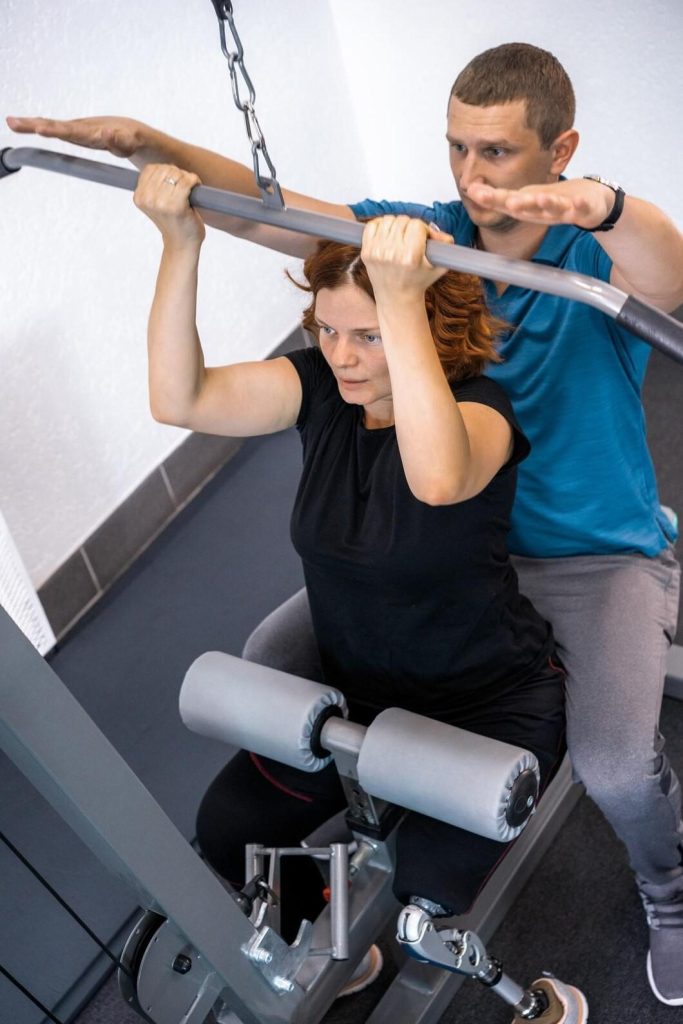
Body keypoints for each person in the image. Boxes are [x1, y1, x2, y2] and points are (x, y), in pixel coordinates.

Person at [8, 40, 683, 1006]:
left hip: (587, 557)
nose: (468, 175)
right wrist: (146, 146)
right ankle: (328, 910)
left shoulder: (590, 259)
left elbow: (663, 276)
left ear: (559, 148)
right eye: (455, 148)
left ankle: (669, 895)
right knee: (270, 662)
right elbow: (277, 216)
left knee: (616, 764)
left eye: (493, 152)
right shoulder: (428, 236)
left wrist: (607, 207)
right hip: (444, 559)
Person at [131, 163, 567, 1000]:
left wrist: (401, 297)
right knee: (225, 830)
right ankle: (343, 952)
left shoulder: (482, 412)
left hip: (486, 707)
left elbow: (436, 481)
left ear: (421, 329)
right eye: (326, 330)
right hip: (351, 704)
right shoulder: (318, 392)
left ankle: (417, 945)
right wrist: (179, 244)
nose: (340, 356)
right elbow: (177, 399)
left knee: (423, 902)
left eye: (365, 335)